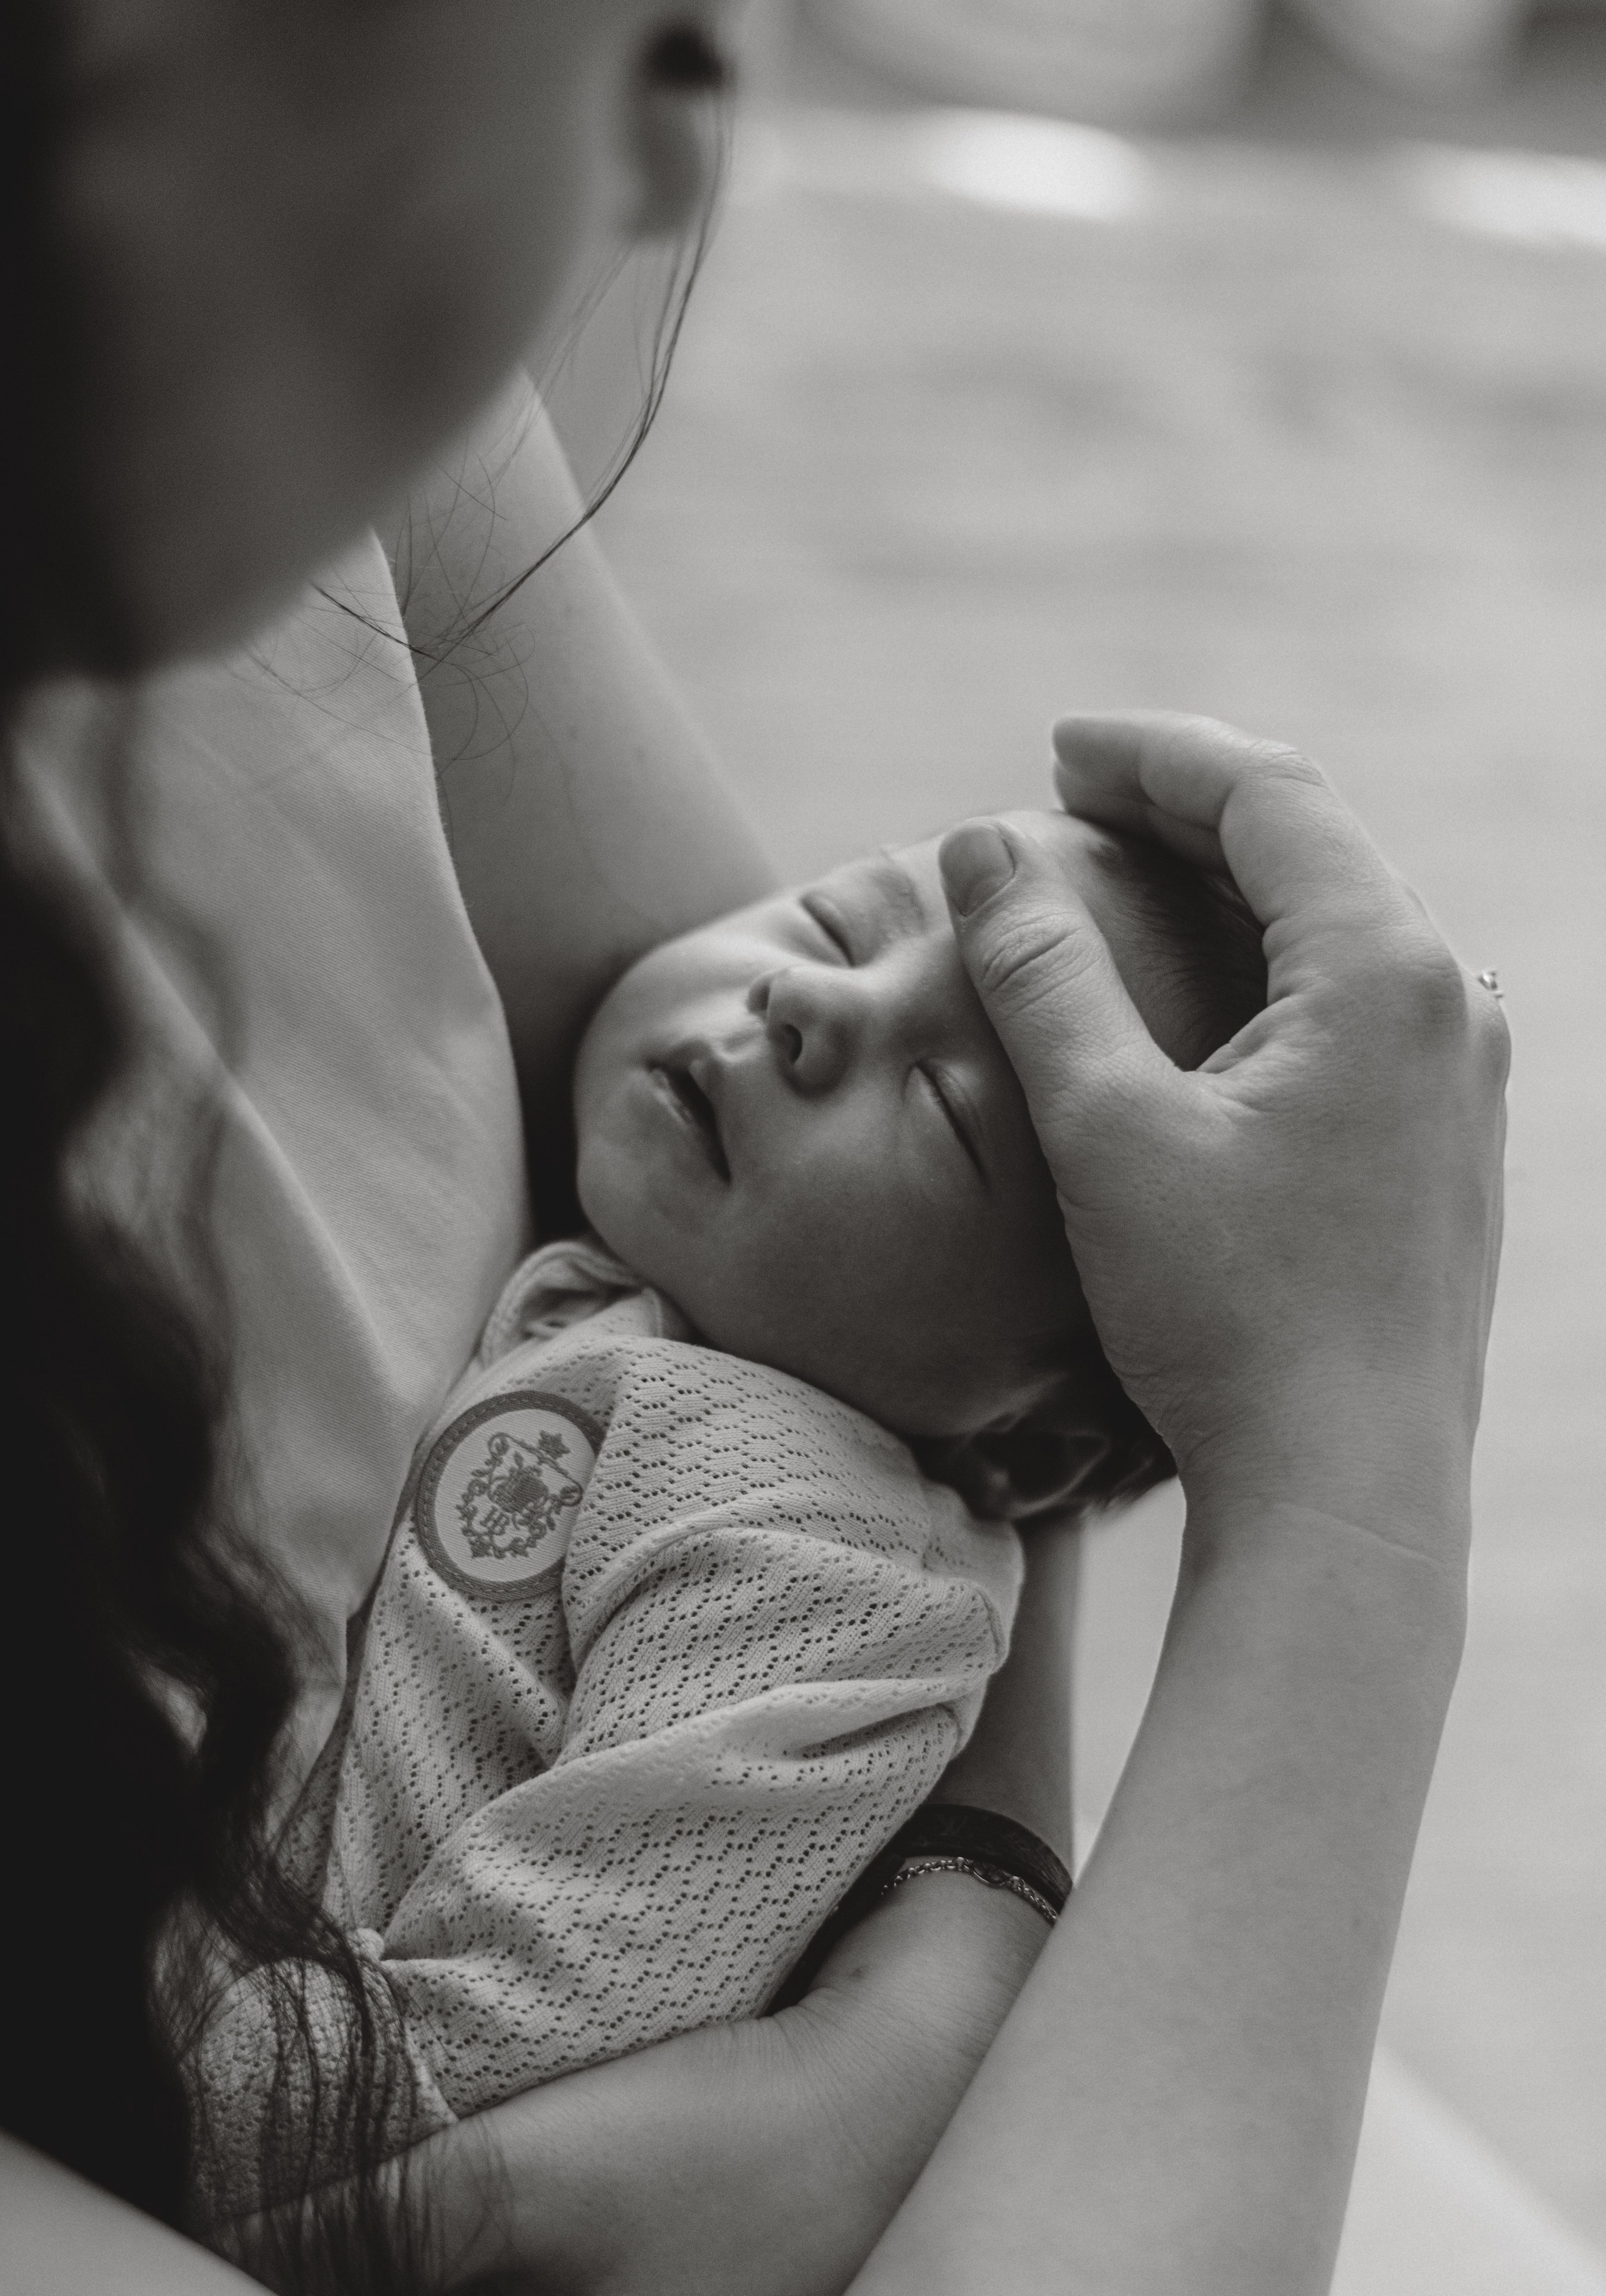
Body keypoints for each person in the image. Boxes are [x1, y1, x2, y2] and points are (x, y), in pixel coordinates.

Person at [1, 4, 1508, 2295]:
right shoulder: (279, 335)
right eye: (634, 39)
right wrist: (1347, 1497)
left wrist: (937, 1984)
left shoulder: (308, 403)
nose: (665, 168)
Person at [183, 812, 1261, 2230]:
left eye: (939, 1105)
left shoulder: (833, 1580)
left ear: (1030, 1445)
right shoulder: (640, 1298)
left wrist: (127, 2033)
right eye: (834, 926)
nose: (807, 1005)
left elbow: (540, 2016)